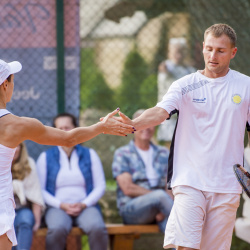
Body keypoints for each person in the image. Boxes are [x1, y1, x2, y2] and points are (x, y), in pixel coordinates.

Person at [115, 24, 248, 250]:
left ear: (233, 53)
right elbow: (160, 111)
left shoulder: (245, 86)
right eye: (209, 49)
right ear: (202, 48)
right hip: (189, 181)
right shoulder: (185, 85)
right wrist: (134, 124)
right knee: (185, 247)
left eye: (220, 51)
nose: (212, 56)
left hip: (227, 185)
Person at [0, 59, 134, 250]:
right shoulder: (16, 125)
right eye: (12, 80)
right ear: (6, 84)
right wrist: (101, 126)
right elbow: (68, 139)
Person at [36, 112, 108, 250]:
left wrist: (83, 204)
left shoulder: (90, 154)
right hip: (57, 207)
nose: (64, 132)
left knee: (97, 228)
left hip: (86, 207)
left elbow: (100, 186)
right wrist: (61, 205)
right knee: (57, 229)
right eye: (60, 129)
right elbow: (40, 190)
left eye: (67, 128)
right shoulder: (45, 157)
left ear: (76, 129)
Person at [112, 109, 174, 233]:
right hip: (132, 210)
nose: (146, 128)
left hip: (162, 209)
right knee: (162, 198)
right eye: (142, 124)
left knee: (170, 225)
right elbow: (128, 188)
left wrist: (162, 207)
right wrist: (158, 198)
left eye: (150, 124)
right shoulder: (123, 154)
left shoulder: (163, 153)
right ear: (132, 127)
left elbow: (170, 186)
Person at [157, 37, 196, 146]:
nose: (178, 54)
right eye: (175, 50)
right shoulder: (166, 67)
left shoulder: (189, 70)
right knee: (171, 146)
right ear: (170, 52)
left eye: (181, 51)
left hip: (186, 115)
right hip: (170, 115)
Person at [11, 142, 45, 250]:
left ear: (21, 148)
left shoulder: (29, 164)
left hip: (23, 208)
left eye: (16, 145)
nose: (14, 149)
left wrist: (37, 222)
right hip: (3, 210)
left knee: (25, 220)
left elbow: (36, 194)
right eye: (10, 145)